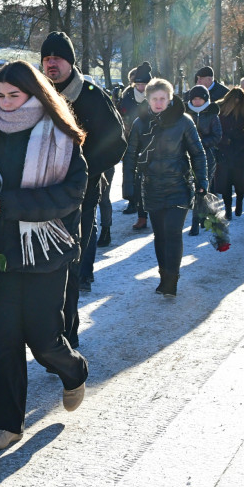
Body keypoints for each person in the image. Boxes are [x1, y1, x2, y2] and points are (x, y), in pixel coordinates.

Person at [0, 61, 89, 451]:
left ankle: (73, 368)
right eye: (1, 95)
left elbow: (71, 194)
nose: (7, 102)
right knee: (0, 339)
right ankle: (5, 423)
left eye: (15, 95)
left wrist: (12, 202)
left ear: (35, 94)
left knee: (43, 339)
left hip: (46, 252)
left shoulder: (61, 135)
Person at [40, 31, 125, 347]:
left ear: (70, 62)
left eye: (57, 58)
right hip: (41, 196)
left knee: (69, 268)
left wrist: (83, 171)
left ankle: (67, 337)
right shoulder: (36, 94)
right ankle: (46, 333)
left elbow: (117, 142)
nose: (51, 63)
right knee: (43, 269)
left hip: (80, 197)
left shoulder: (91, 95)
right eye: (47, 58)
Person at [123, 79, 207, 297]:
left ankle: (172, 279)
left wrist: (202, 181)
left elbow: (198, 153)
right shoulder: (140, 124)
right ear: (148, 100)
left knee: (172, 232)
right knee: (159, 235)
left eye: (162, 99)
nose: (158, 103)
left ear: (170, 99)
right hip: (151, 187)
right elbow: (130, 155)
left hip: (177, 185)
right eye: (154, 99)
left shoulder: (184, 122)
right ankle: (163, 276)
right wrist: (128, 184)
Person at [117, 64, 152, 227]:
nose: (141, 87)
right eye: (138, 84)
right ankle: (133, 202)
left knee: (148, 173)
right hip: (130, 137)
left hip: (150, 139)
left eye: (144, 84)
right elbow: (121, 113)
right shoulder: (128, 95)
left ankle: (148, 208)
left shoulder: (154, 95)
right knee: (130, 172)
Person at [185, 84, 221, 236]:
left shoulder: (212, 115)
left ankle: (196, 222)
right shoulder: (185, 114)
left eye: (199, 99)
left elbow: (217, 135)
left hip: (208, 156)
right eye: (194, 99)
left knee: (202, 188)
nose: (196, 102)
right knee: (192, 188)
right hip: (188, 156)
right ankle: (201, 216)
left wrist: (201, 143)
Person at [214, 87, 244, 218]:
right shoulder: (221, 107)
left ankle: (235, 205)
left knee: (234, 179)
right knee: (229, 180)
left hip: (236, 148)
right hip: (230, 147)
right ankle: (230, 208)